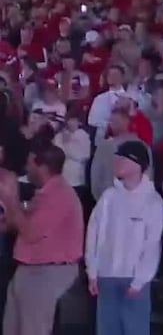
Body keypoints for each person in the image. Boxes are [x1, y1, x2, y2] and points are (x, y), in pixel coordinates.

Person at [0, 142, 84, 335]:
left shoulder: (59, 195)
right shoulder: (44, 194)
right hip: (29, 270)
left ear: (43, 167)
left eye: (30, 164)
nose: (26, 168)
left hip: (45, 273)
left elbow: (30, 233)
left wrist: (11, 199)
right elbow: (21, 225)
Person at [85, 139, 163, 335]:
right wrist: (93, 271)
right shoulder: (109, 197)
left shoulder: (153, 202)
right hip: (106, 277)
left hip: (133, 280)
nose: (117, 163)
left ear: (138, 165)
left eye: (122, 159)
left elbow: (152, 245)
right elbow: (94, 233)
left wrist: (140, 280)